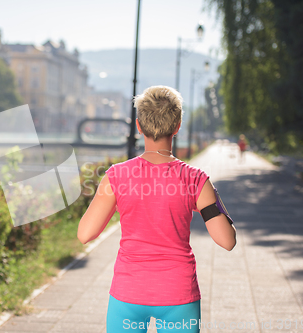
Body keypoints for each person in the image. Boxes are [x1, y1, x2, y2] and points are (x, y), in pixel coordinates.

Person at [78, 86, 237, 333]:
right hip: (178, 294)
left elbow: (84, 233)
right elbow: (227, 240)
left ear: (139, 126)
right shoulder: (196, 179)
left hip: (128, 293)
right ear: (178, 125)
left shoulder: (116, 177)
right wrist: (211, 196)